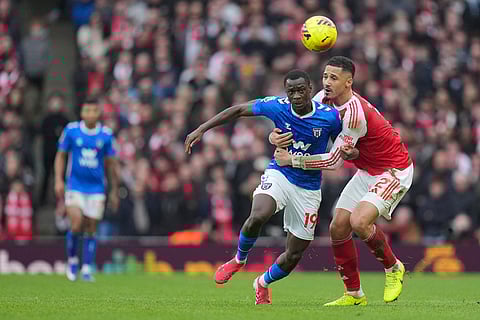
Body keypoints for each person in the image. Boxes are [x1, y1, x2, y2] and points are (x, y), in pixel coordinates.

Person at [185, 69, 342, 305]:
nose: (296, 96)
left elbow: (342, 149)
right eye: (291, 91)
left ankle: (262, 283)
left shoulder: (330, 117)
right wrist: (201, 129)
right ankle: (239, 260)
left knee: (294, 255)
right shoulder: (276, 106)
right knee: (258, 215)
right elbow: (238, 110)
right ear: (285, 93)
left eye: (301, 90)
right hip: (280, 173)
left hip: (309, 187)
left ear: (310, 89)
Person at [271, 56, 413, 305]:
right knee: (338, 227)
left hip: (392, 169)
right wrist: (275, 135)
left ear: (348, 83)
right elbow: (298, 123)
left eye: (334, 78)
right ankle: (354, 294)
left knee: (359, 221)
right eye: (325, 76)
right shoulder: (321, 101)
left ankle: (393, 268)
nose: (327, 82)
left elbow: (334, 162)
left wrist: (292, 160)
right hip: (367, 169)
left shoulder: (354, 114)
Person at [54, 99, 119, 282]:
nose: (90, 113)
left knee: (91, 227)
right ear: (82, 112)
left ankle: (87, 268)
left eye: (94, 110)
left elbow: (112, 164)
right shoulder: (71, 131)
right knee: (76, 222)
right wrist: (58, 180)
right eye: (87, 110)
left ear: (99, 113)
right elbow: (61, 156)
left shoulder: (106, 135)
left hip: (97, 188)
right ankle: (73, 261)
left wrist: (114, 190)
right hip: (75, 185)